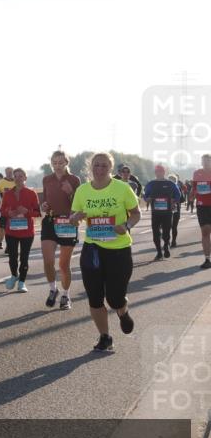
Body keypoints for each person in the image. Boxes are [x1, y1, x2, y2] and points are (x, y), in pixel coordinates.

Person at [70, 151, 141, 352]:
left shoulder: (122, 188)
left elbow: (136, 213)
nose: (99, 169)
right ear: (90, 168)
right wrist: (75, 217)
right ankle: (105, 336)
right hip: (92, 248)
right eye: (96, 165)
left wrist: (126, 225)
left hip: (118, 249)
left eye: (104, 166)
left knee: (115, 298)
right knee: (94, 296)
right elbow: (74, 215)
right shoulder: (83, 190)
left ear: (111, 168)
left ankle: (122, 311)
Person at [40, 150, 81, 310]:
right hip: (50, 220)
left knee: (64, 264)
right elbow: (45, 202)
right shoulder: (47, 179)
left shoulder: (74, 179)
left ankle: (66, 295)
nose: (57, 166)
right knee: (48, 261)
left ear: (66, 163)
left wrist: (71, 192)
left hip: (68, 222)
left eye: (60, 163)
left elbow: (79, 205)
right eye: (54, 163)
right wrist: (43, 206)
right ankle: (53, 289)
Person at [1, 168, 40, 293]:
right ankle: (14, 275)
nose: (18, 178)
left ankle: (22, 282)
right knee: (12, 257)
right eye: (16, 176)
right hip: (11, 231)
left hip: (27, 232)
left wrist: (27, 212)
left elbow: (38, 212)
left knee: (24, 258)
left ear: (25, 178)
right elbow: (2, 210)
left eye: (21, 176)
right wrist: (8, 212)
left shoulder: (31, 193)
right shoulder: (7, 194)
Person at [143, 165, 182, 260]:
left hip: (167, 212)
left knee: (166, 232)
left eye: (161, 171)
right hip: (155, 213)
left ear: (164, 172)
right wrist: (147, 199)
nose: (159, 173)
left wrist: (174, 201)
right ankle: (159, 252)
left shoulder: (170, 183)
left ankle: (166, 246)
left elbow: (178, 194)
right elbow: (145, 195)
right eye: (157, 171)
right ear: (155, 173)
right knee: (155, 234)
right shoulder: (151, 184)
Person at [193, 153, 211, 269]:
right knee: (205, 232)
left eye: (208, 160)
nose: (205, 162)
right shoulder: (196, 173)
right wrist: (192, 194)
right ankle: (207, 259)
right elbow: (195, 188)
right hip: (202, 206)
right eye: (203, 161)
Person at [169, 174, 182, 248]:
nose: (170, 181)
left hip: (176, 208)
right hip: (167, 208)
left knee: (174, 226)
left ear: (175, 181)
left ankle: (173, 241)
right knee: (168, 226)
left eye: (172, 180)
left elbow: (181, 198)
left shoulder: (177, 188)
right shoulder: (164, 187)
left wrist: (174, 200)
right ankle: (169, 241)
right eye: (169, 180)